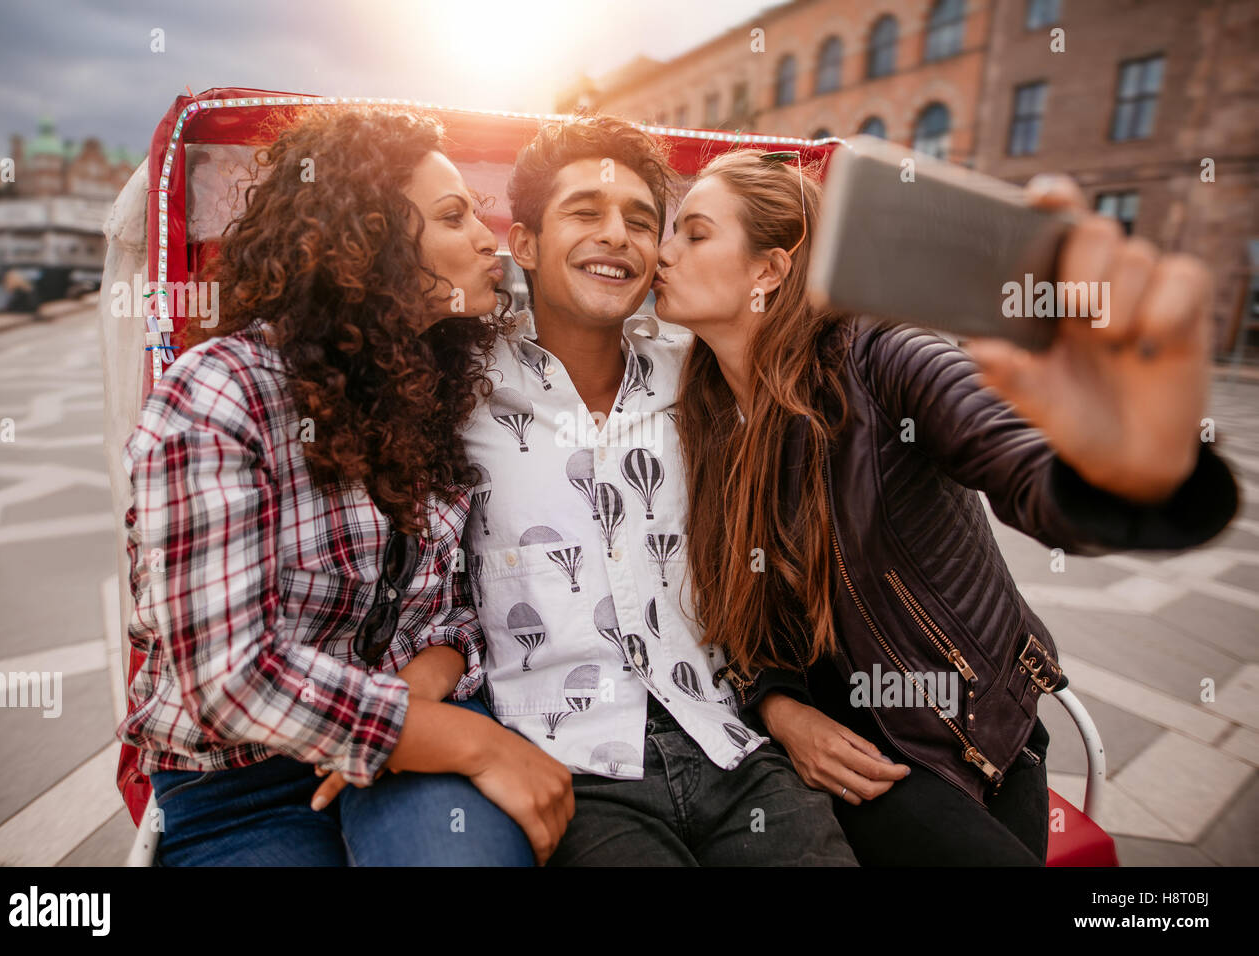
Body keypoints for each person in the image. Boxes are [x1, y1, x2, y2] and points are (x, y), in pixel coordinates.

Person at [653, 148, 1239, 865]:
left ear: (769, 269)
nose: (663, 251)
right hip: (843, 743)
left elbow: (1026, 472)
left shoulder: (880, 355)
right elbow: (745, 610)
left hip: (962, 728)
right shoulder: (706, 413)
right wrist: (780, 708)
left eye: (694, 233)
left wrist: (1131, 466)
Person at [119, 106, 573, 866]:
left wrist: (429, 694)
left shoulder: (434, 392)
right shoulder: (220, 395)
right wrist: (470, 743)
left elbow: (457, 611)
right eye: (454, 216)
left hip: (419, 741)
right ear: (367, 242)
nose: (488, 239)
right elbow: (230, 678)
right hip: (241, 788)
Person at [458, 115, 856, 866]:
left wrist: (781, 702)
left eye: (642, 221)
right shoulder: (458, 389)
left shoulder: (701, 371)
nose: (618, 236)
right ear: (527, 245)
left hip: (729, 744)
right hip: (572, 766)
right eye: (586, 212)